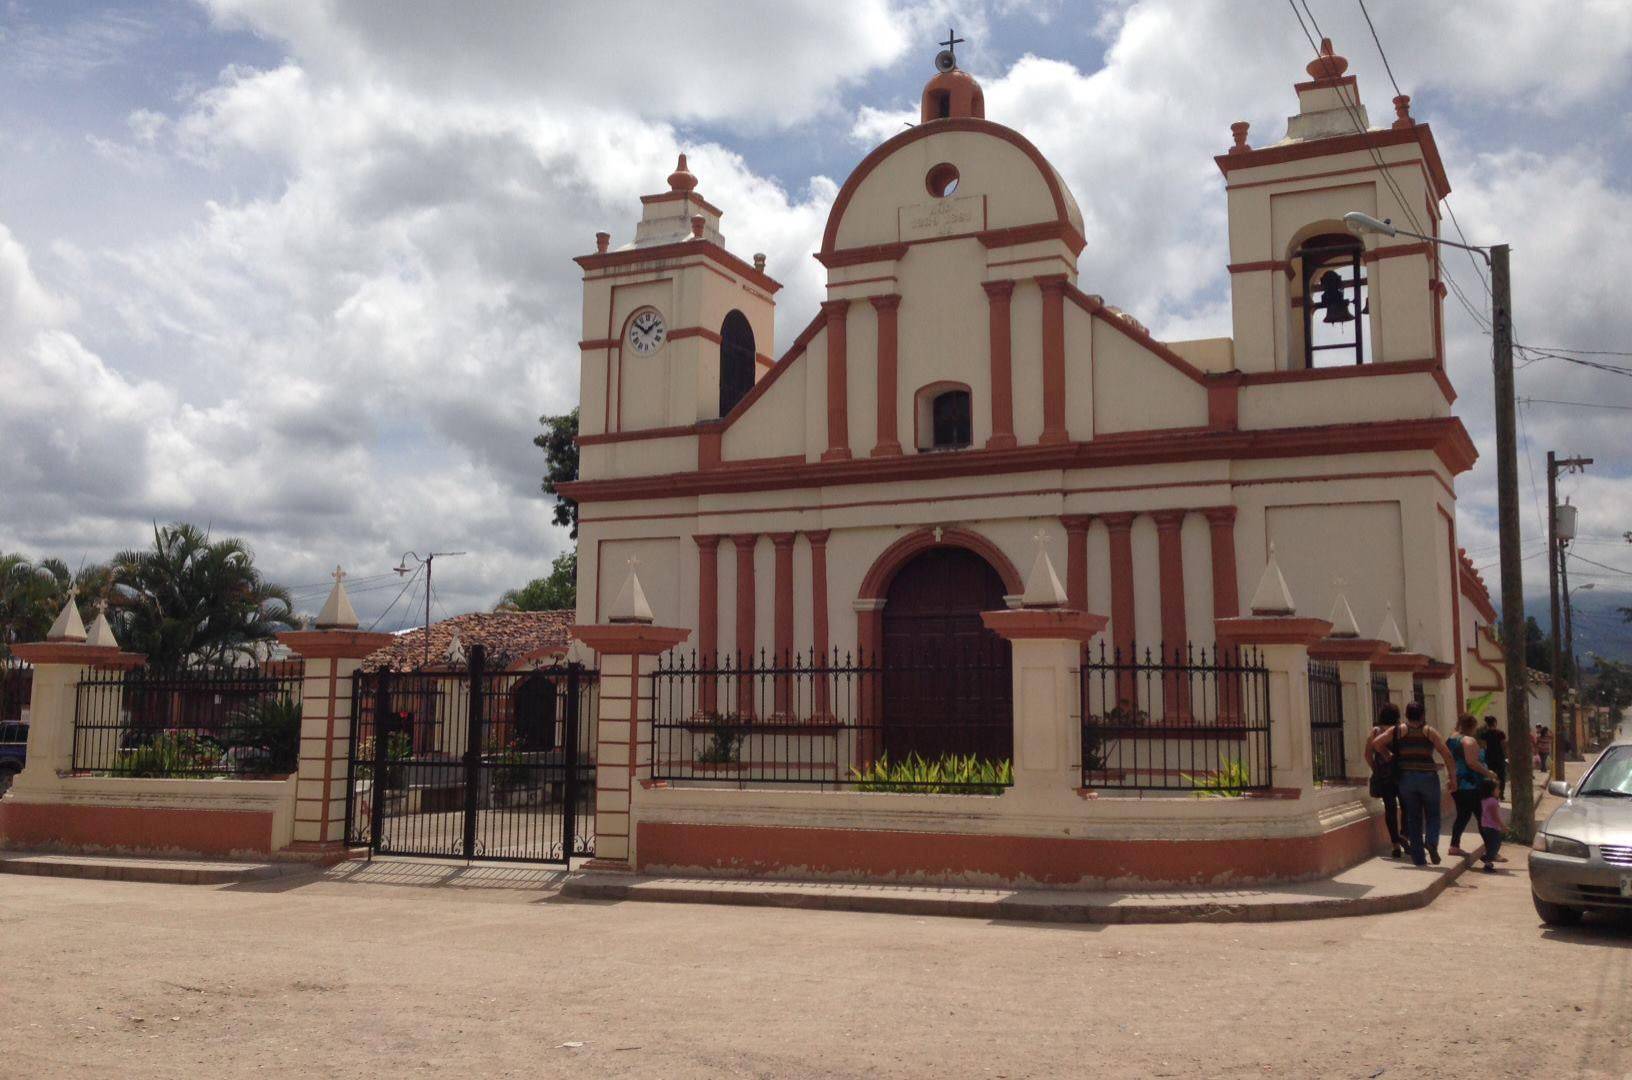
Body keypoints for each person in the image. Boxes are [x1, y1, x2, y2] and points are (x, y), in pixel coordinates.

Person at [1369, 701, 1459, 867]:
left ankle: (1418, 858)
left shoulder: (1399, 730)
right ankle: (1431, 841)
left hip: (1406, 778)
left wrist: (1388, 755)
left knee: (1413, 817)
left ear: (1406, 715)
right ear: (1423, 715)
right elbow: (1446, 754)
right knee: (1433, 814)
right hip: (1427, 778)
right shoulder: (1429, 731)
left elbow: (1376, 743)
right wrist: (1452, 777)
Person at [1445, 713, 1498, 857]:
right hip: (1471, 785)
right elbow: (1471, 763)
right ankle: (1491, 851)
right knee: (1482, 816)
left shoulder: (1451, 739)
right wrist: (1488, 773)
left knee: (1463, 815)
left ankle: (1454, 845)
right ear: (1472, 726)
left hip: (1457, 783)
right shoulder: (1468, 741)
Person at [1364, 703, 1406, 858]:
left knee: (1390, 809)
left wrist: (1376, 768)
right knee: (1406, 805)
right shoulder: (1400, 730)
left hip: (1384, 775)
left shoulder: (1376, 732)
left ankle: (1395, 843)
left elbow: (1367, 754)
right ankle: (1404, 835)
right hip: (1401, 773)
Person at [1478, 779, 1505, 873]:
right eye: (1497, 789)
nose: (1499, 791)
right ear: (1491, 790)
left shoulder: (1484, 800)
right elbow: (1495, 816)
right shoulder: (1493, 801)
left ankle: (1487, 859)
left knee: (1491, 845)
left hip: (1485, 826)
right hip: (1492, 827)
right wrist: (1503, 826)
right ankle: (1487, 861)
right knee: (1495, 845)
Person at [1479, 716, 1508, 800]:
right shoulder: (1500, 733)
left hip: (1489, 758)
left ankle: (1492, 794)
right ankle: (1501, 794)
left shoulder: (1484, 734)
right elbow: (1503, 745)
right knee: (1501, 777)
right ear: (1495, 723)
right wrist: (1506, 755)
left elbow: (1483, 746)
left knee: (1491, 776)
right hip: (1499, 757)